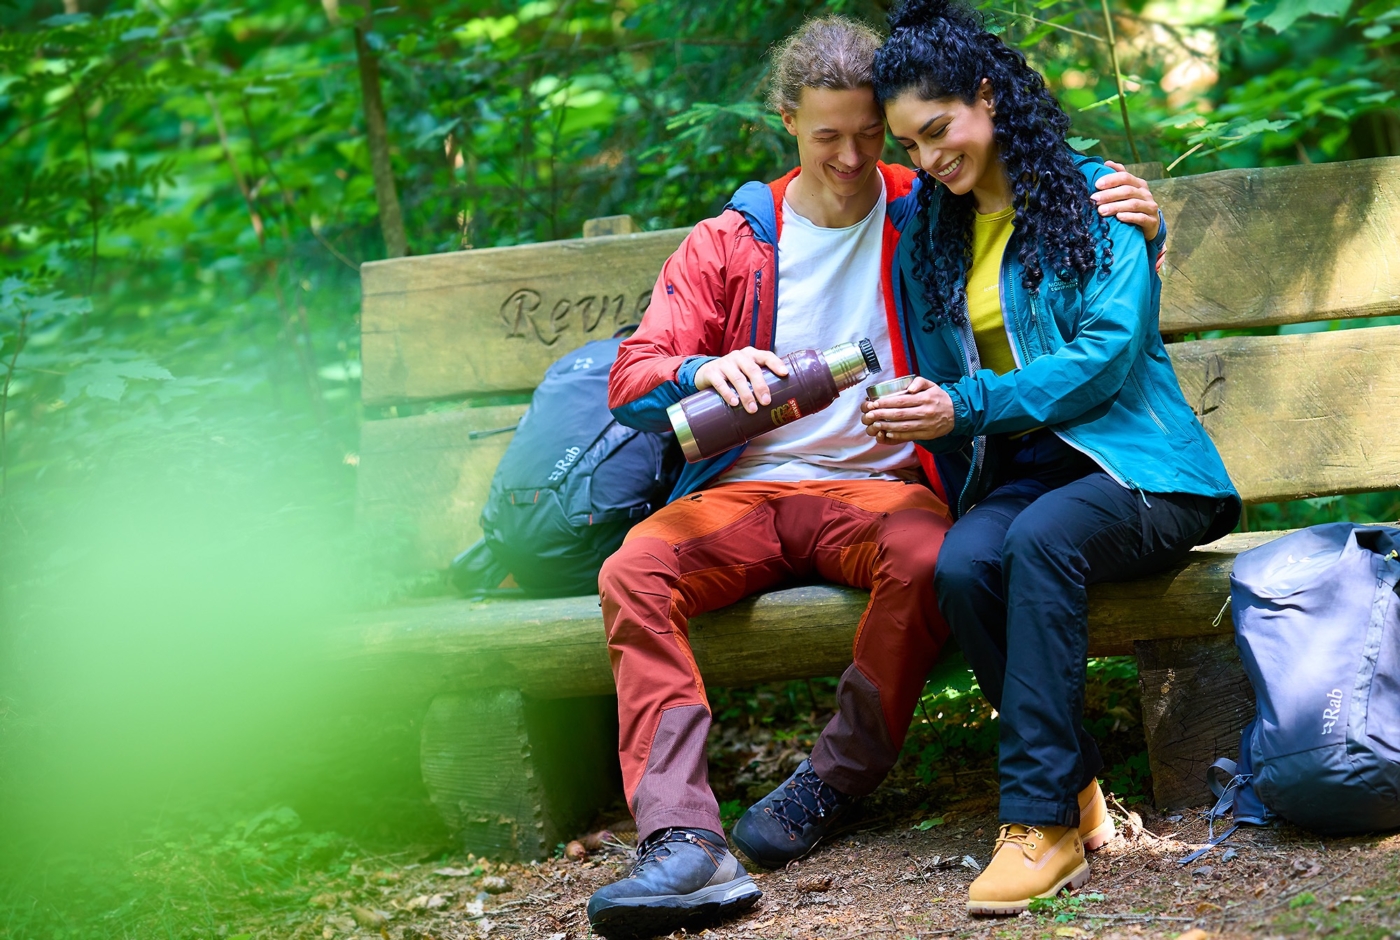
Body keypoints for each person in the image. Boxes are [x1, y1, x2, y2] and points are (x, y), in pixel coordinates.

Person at [587, 15, 1165, 938]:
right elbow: (633, 376)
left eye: (870, 135)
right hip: (744, 493)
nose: (853, 158)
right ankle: (682, 841)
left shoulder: (924, 211)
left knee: (937, 557)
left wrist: (1141, 213)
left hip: (881, 491)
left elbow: (1033, 207)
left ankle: (834, 781)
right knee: (631, 572)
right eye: (828, 137)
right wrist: (701, 372)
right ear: (789, 121)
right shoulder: (733, 241)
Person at [863, 0, 1241, 917]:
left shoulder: (1098, 198)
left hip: (1143, 471)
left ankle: (1040, 824)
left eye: (939, 130)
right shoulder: (933, 234)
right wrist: (920, 408)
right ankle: (1076, 791)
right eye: (910, 146)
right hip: (1028, 475)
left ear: (988, 96)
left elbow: (1106, 358)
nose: (928, 160)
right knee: (963, 562)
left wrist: (965, 406)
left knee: (1039, 542)